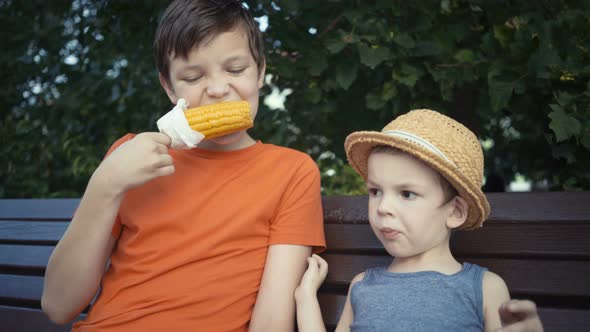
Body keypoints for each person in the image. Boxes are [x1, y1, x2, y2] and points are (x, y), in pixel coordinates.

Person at [41, 1, 325, 331]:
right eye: (192, 76)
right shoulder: (128, 159)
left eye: (235, 70)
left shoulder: (292, 172)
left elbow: (272, 323)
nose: (218, 90)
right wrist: (105, 184)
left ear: (260, 71)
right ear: (168, 87)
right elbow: (58, 305)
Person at [295, 109, 544, 332]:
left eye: (406, 194)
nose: (383, 207)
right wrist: (305, 297)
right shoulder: (362, 286)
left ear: (455, 212)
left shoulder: (483, 289)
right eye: (375, 191)